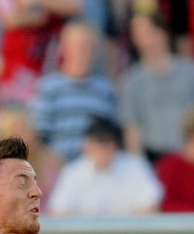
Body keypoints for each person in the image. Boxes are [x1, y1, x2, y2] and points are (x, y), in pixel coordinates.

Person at [28, 19, 117, 168]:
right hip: (58, 170)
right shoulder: (49, 88)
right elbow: (39, 137)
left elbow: (110, 136)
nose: (84, 52)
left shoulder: (105, 91)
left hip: (96, 169)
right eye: (78, 46)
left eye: (89, 47)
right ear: (64, 49)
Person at [118, 9, 194, 164]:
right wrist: (139, 171)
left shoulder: (189, 72)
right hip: (154, 159)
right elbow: (132, 132)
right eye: (138, 34)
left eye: (149, 31)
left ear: (163, 32)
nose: (147, 39)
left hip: (188, 157)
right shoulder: (131, 81)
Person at [0, 0, 82, 114]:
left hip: (49, 62)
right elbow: (11, 18)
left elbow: (74, 7)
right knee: (13, 118)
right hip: (17, 67)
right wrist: (47, 9)